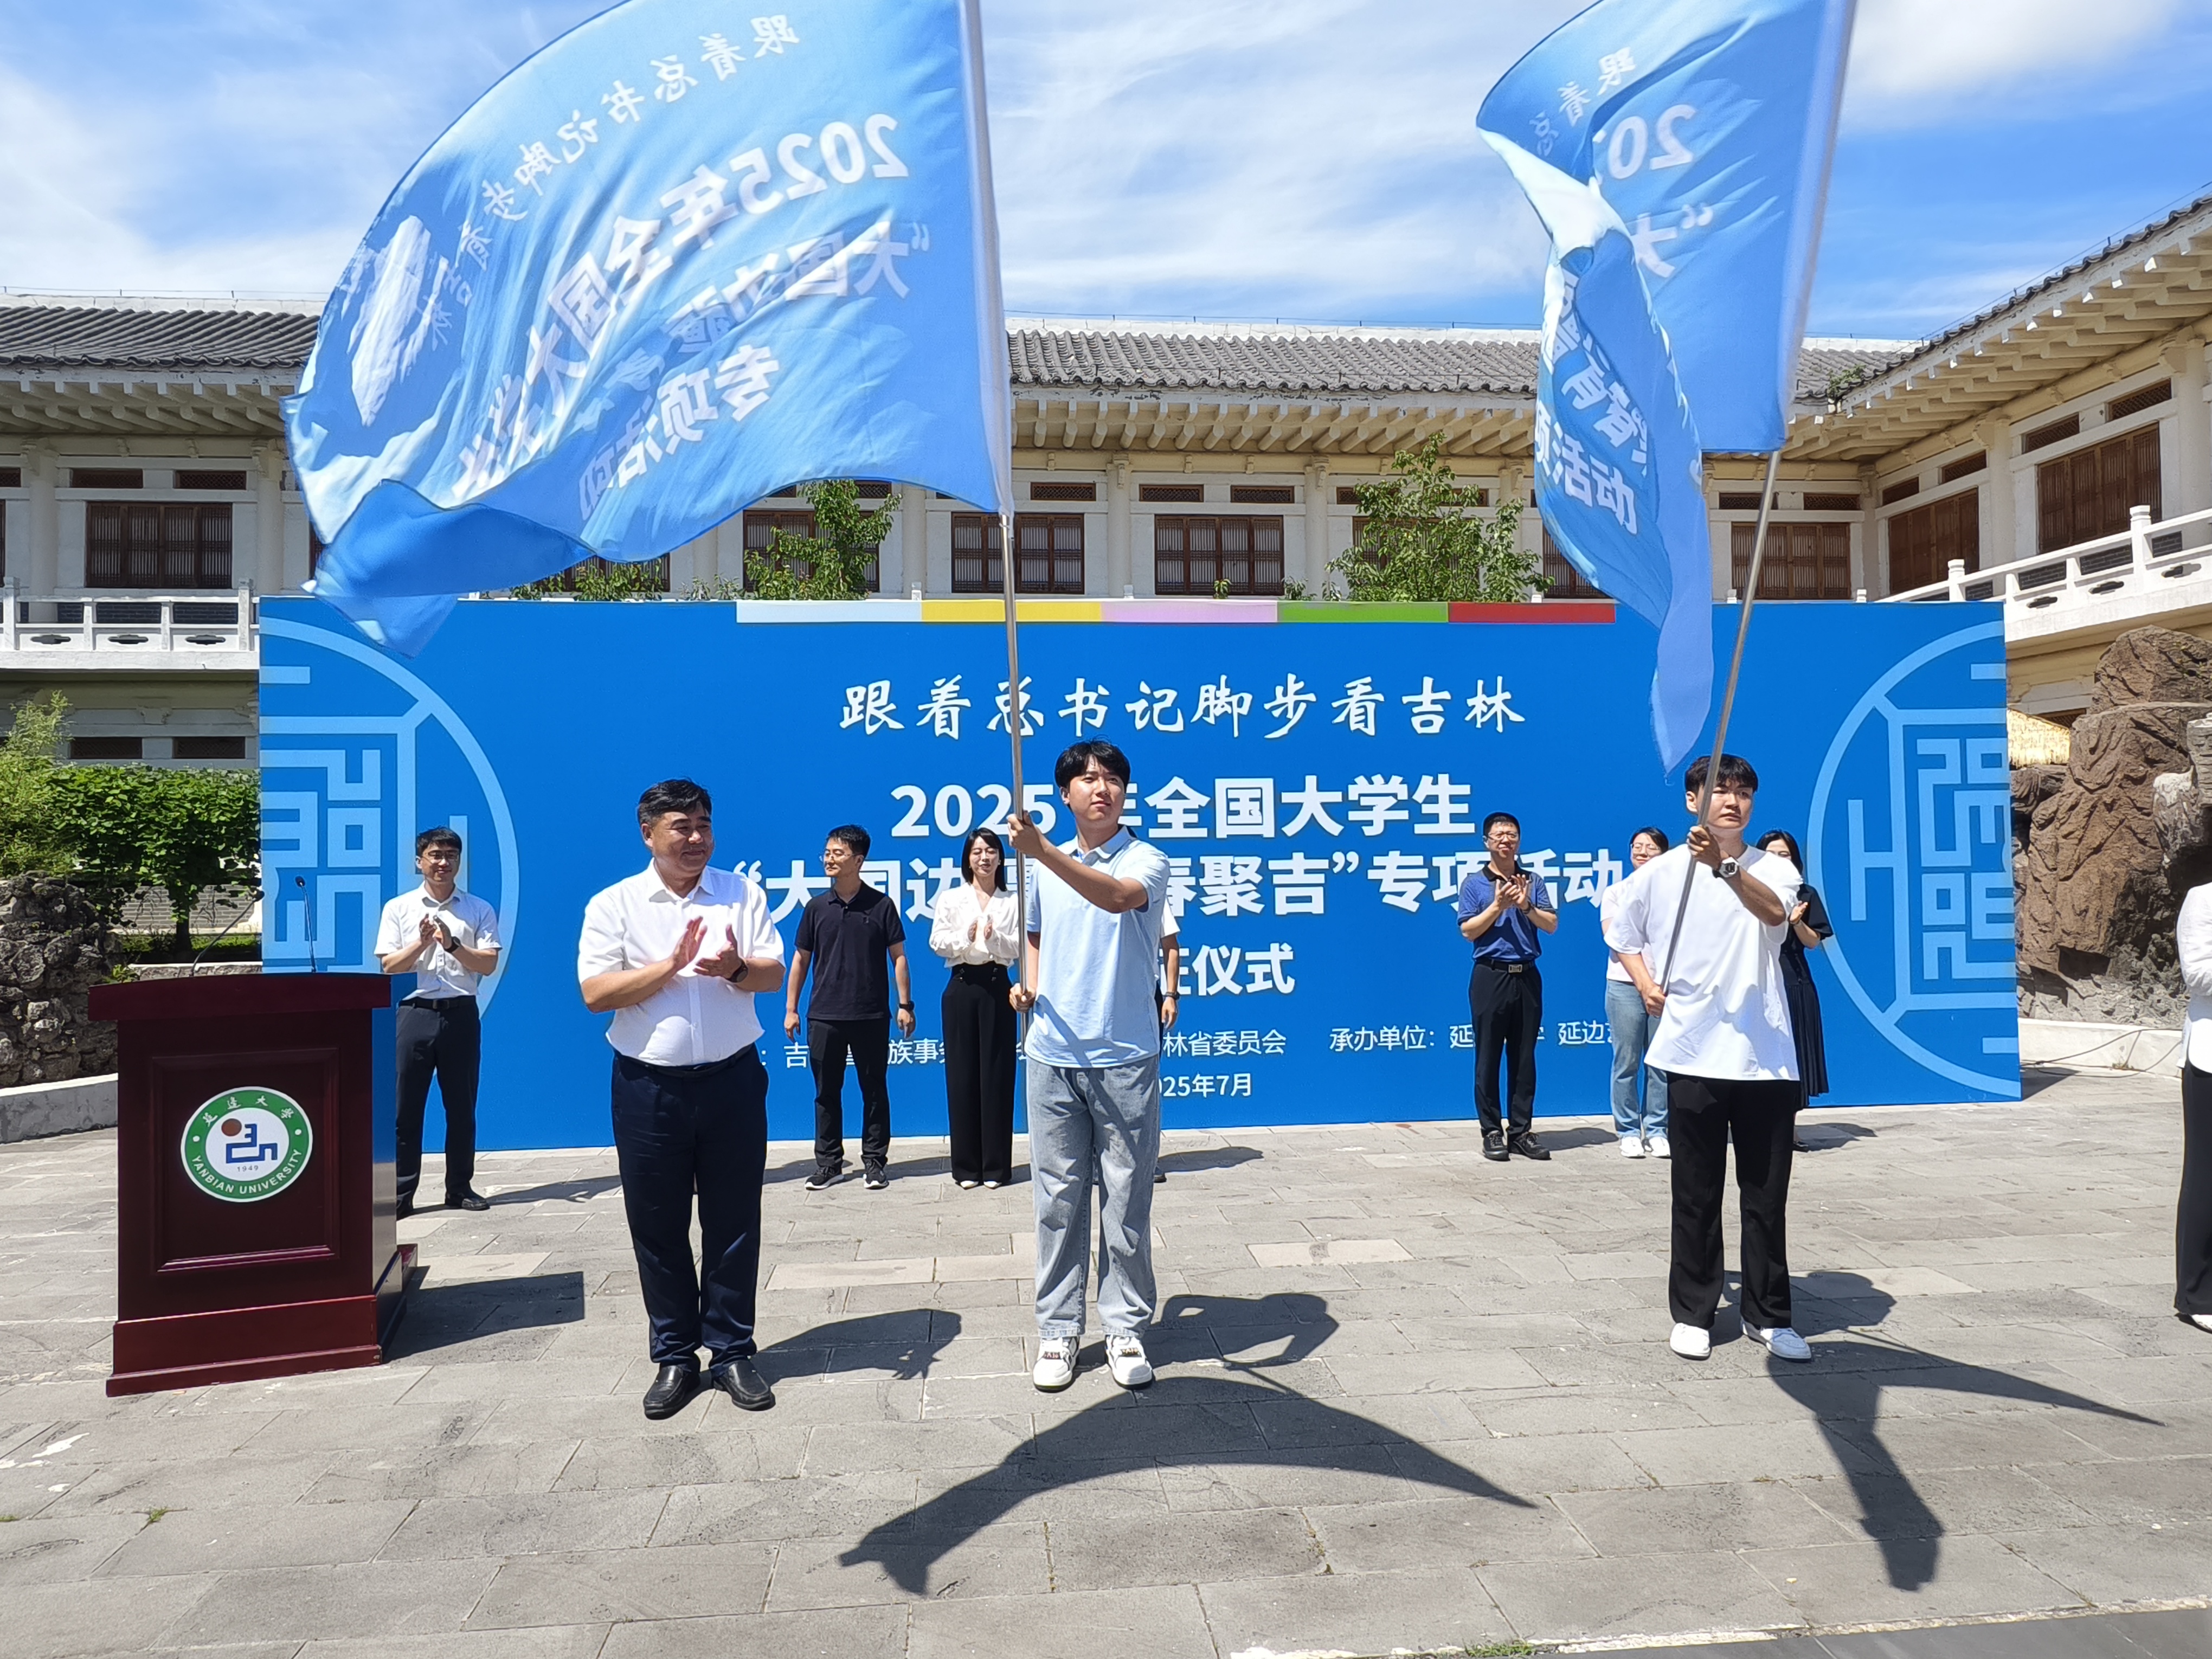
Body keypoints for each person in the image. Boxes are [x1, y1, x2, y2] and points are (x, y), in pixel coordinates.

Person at [579, 779, 787, 1420]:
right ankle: (675, 1355)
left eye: (704, 825)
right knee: (658, 1224)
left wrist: (734, 970)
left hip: (732, 1081)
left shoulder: (740, 893)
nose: (697, 838)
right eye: (682, 827)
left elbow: (774, 973)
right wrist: (669, 967)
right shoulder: (615, 904)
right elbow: (596, 994)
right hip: (649, 1089)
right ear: (648, 833)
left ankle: (731, 1352)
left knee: (734, 1221)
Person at [1605, 754, 1812, 1365]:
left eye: (1742, 792)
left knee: (1765, 1195)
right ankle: (1694, 1312)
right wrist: (1646, 984)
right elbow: (1622, 933)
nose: (1732, 801)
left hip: (1764, 1056)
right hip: (1694, 1050)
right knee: (1695, 1192)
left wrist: (1723, 867)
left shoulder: (1774, 868)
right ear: (1692, 800)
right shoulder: (1661, 872)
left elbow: (1773, 915)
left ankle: (1768, 1315)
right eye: (1719, 790)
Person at [1008, 740, 1172, 1394]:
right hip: (1052, 1053)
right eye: (1086, 778)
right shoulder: (1041, 869)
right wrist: (1028, 982)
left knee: (1126, 1201)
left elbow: (1116, 898)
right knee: (1057, 1200)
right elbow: (1035, 935)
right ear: (1066, 794)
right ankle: (1058, 1329)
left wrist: (1043, 851)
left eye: (1112, 779)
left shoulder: (1146, 859)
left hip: (1124, 1055)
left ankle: (1125, 1327)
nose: (1100, 788)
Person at [375, 827, 500, 1219]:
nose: (443, 863)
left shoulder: (478, 908)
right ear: (420, 862)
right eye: (435, 855)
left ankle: (459, 1187)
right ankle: (400, 1193)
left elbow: (488, 964)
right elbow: (389, 966)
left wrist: (452, 944)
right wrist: (423, 942)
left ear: (459, 862)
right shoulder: (399, 908)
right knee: (405, 1109)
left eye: (451, 856)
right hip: (414, 1015)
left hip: (461, 1014)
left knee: (461, 1107)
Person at [786, 825, 914, 1192]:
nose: (829, 859)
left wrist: (905, 1004)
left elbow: (899, 957)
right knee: (826, 1092)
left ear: (858, 860)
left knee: (874, 1090)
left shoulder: (881, 905)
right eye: (827, 853)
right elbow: (800, 960)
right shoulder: (816, 908)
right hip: (824, 1015)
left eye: (837, 853)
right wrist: (791, 1008)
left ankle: (875, 1162)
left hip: (870, 1014)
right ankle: (829, 1164)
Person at [1457, 811, 1559, 1162]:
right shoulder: (1474, 883)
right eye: (1499, 834)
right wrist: (1498, 906)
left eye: (1512, 834)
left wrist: (1525, 905)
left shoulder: (1532, 880)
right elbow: (1468, 930)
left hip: (1527, 975)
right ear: (1487, 842)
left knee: (1524, 1056)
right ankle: (1491, 1130)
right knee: (1488, 1056)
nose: (1506, 840)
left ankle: (1520, 1132)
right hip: (1491, 975)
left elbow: (1551, 924)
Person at [929, 827, 1018, 1190]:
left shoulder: (1012, 900)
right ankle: (966, 1168)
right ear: (968, 859)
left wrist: (995, 938)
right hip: (962, 986)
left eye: (991, 851)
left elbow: (1018, 947)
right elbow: (937, 941)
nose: (984, 858)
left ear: (1000, 858)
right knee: (962, 1076)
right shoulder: (952, 898)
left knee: (997, 1075)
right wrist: (963, 939)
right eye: (977, 852)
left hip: (998, 987)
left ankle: (996, 1167)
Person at [1758, 829, 1834, 1149]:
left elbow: (1813, 942)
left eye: (1784, 855)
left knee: (1794, 1056)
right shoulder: (1747, 891)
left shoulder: (1805, 894)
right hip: (1756, 981)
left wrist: (1796, 921)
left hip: (1794, 981)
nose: (1778, 860)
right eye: (1771, 854)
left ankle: (1787, 1129)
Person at [1603, 827, 1671, 1160]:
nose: (1643, 852)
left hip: (1667, 987)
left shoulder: (1675, 894)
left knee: (1661, 1063)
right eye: (1638, 847)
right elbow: (1614, 937)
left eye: (1651, 847)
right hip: (1625, 985)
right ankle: (1628, 1131)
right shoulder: (1617, 892)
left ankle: (1658, 1129)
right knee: (1627, 1061)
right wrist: (1644, 983)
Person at [2176, 882, 2212, 1334]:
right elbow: (2197, 975)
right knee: (2207, 1175)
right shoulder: (2203, 898)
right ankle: (2198, 1294)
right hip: (2210, 1057)